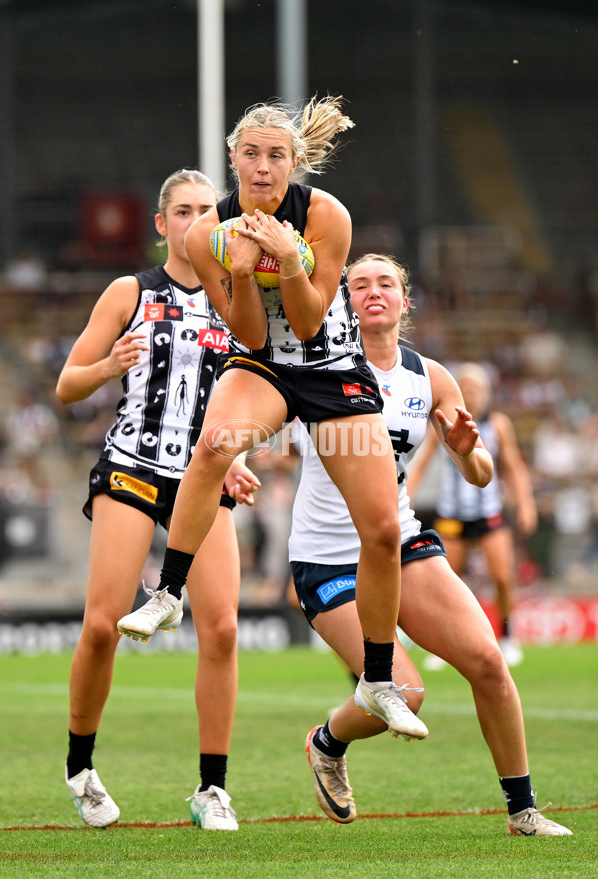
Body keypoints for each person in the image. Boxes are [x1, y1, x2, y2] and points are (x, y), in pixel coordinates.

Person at [118, 97, 427, 741]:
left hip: (333, 367)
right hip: (262, 366)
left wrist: (287, 261)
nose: (262, 168)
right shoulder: (208, 235)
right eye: (251, 154)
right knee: (212, 448)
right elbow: (253, 336)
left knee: (380, 531)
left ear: (293, 163)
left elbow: (312, 322)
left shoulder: (324, 216)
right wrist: (236, 272)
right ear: (233, 159)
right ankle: (168, 593)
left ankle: (376, 681)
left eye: (276, 156)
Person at [291, 254, 571, 836]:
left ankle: (523, 811)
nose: (373, 292)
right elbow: (252, 417)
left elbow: (483, 473)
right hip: (329, 557)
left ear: (404, 300)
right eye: (359, 284)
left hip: (402, 544)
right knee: (407, 692)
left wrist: (469, 450)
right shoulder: (313, 366)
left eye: (385, 283)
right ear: (344, 301)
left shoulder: (430, 377)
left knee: (490, 662)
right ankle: (326, 742)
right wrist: (237, 458)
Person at [56, 169, 260, 831]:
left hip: (203, 476)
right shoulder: (130, 292)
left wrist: (241, 456)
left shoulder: (237, 300)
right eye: (183, 210)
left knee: (223, 628)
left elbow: (251, 395)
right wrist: (109, 366)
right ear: (161, 223)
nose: (196, 220)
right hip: (133, 466)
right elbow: (67, 385)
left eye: (208, 210)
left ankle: (212, 788)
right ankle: (80, 766)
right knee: (101, 623)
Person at [409, 362, 538, 668]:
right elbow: (422, 463)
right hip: (453, 514)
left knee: (502, 577)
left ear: (486, 392)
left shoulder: (498, 424)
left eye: (476, 388)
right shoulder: (442, 423)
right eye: (464, 387)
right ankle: (444, 644)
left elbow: (513, 466)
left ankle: (507, 637)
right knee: (447, 582)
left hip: (489, 513)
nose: (470, 393)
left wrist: (526, 503)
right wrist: (406, 497)